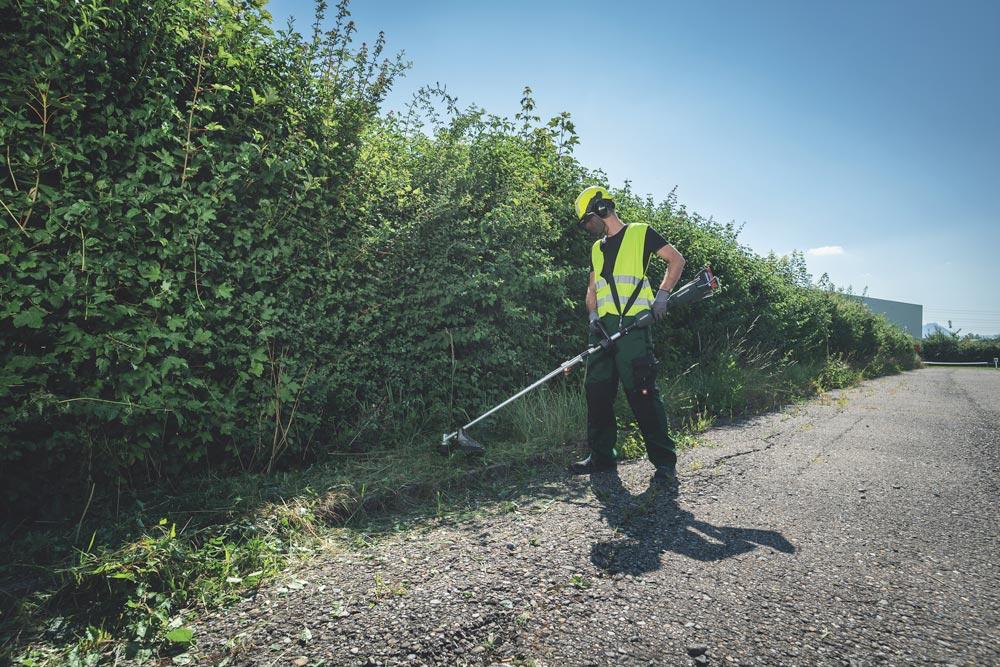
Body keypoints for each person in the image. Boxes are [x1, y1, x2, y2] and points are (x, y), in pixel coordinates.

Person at [569, 185, 686, 486]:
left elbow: (676, 260)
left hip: (633, 328)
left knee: (643, 395)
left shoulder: (639, 233)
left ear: (601, 209)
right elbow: (592, 289)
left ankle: (664, 464)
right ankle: (602, 457)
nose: (585, 228)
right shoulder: (597, 248)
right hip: (603, 331)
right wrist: (593, 315)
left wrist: (661, 297)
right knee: (596, 393)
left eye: (585, 221)